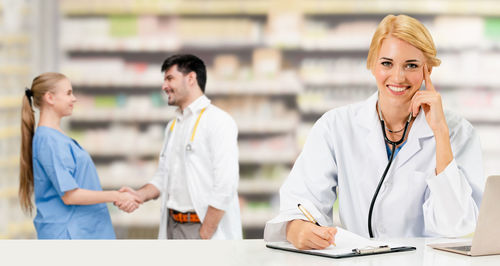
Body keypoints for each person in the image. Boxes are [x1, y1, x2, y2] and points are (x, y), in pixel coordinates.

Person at [264, 14, 485, 250]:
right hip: (358, 259)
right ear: (371, 64)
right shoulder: (336, 126)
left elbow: (456, 227)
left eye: (411, 65)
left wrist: (441, 133)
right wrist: (296, 227)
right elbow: (301, 198)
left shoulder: (458, 133)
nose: (398, 76)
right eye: (386, 63)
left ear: (427, 70)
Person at [117, 54, 242, 239]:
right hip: (172, 225)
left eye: (170, 78)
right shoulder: (174, 126)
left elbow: (226, 183)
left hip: (201, 228)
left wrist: (205, 233)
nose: (164, 86)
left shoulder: (218, 121)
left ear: (191, 78)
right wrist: (139, 195)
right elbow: (163, 176)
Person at [19, 72, 142, 239]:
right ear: (50, 98)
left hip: (82, 230)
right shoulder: (49, 140)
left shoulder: (56, 137)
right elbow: (70, 196)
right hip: (71, 233)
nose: (74, 99)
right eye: (68, 93)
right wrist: (116, 195)